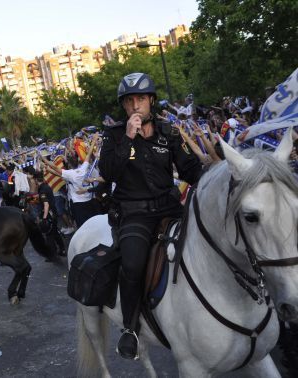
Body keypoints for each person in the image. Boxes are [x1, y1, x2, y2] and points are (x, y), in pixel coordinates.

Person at [99, 73, 202, 359]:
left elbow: (191, 170)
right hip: (135, 213)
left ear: (151, 101)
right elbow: (108, 172)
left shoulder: (168, 132)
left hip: (169, 208)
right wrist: (128, 138)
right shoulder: (114, 135)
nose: (136, 106)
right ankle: (130, 328)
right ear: (124, 106)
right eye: (130, 101)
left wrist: (219, 174)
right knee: (132, 264)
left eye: (141, 99)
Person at [35, 171, 65, 256]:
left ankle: (52, 254)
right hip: (53, 212)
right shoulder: (46, 186)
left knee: (49, 235)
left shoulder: (42, 190)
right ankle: (62, 249)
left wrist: (44, 218)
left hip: (49, 215)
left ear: (36, 180)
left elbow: (46, 204)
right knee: (55, 233)